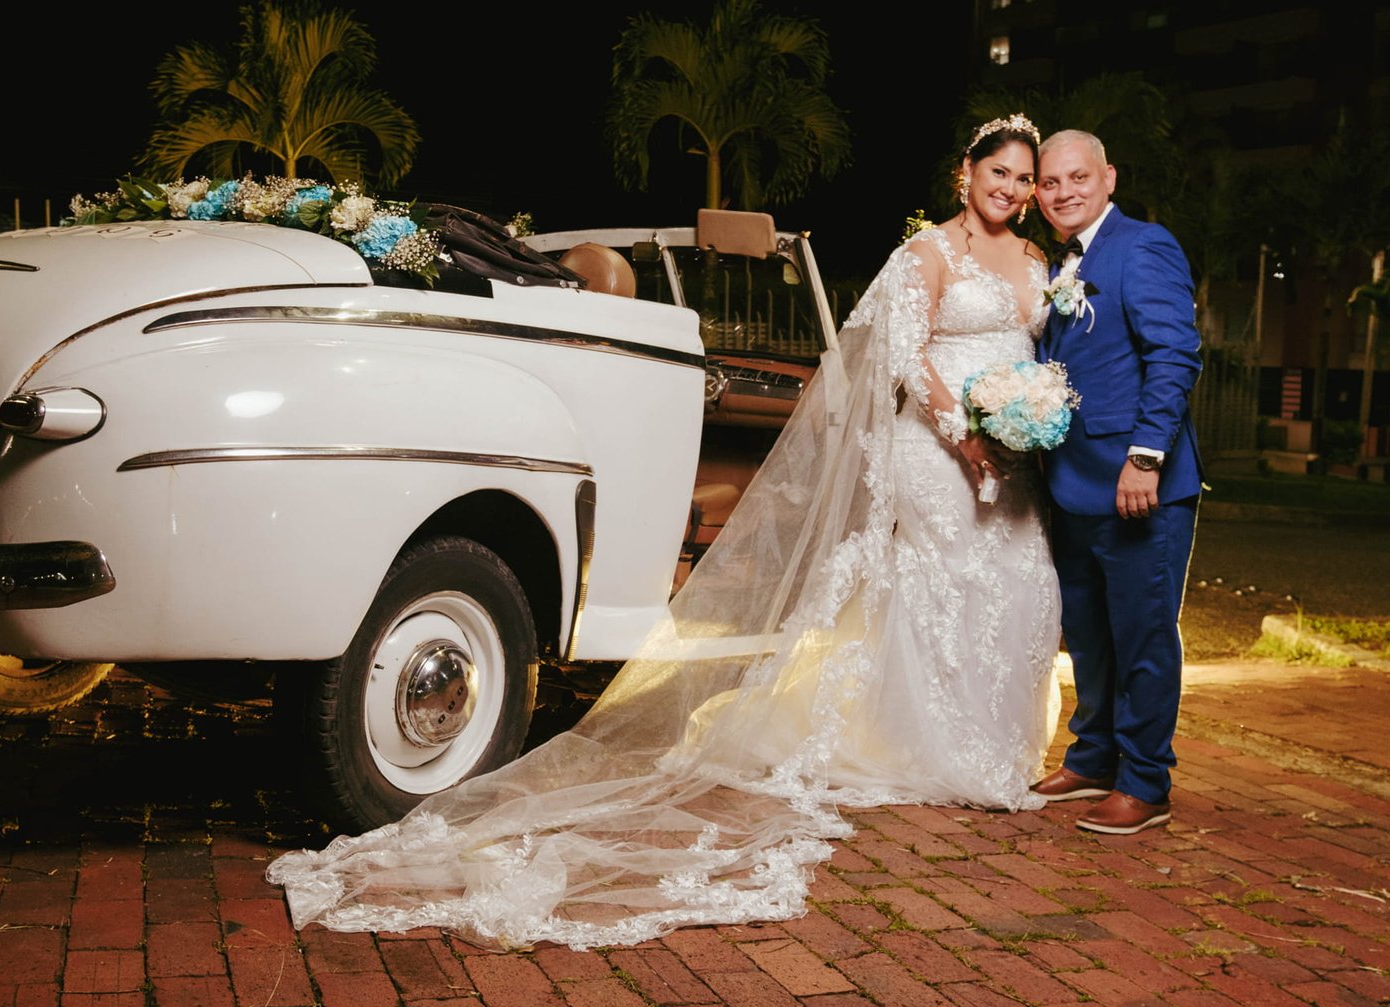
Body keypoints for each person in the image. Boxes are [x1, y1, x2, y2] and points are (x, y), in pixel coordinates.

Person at [266, 115, 1062, 951]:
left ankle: (992, 747)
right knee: (943, 582)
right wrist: (970, 439)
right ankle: (939, 746)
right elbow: (904, 356)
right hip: (941, 450)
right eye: (996, 172)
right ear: (963, 174)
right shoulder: (927, 255)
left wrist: (1027, 421)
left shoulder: (1037, 262)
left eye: (1021, 178)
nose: (1008, 189)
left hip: (1016, 451)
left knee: (1018, 577)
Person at [1029, 129, 1202, 835]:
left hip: (1139, 485)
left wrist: (1147, 456)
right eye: (1050, 182)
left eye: (1078, 177)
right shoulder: (1061, 261)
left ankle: (1145, 781)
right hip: (1070, 480)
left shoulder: (1144, 245)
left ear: (1108, 178)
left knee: (1142, 634)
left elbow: (1174, 355)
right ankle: (1094, 755)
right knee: (1090, 635)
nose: (1063, 191)